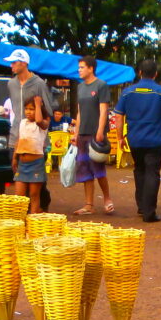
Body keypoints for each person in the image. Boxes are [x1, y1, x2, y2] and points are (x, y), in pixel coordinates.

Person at [112, 58, 161, 222]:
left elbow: (118, 116)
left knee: (139, 170)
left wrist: (120, 137)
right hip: (154, 140)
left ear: (140, 73)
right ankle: (149, 212)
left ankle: (142, 207)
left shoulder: (128, 92)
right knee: (152, 173)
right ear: (156, 74)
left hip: (134, 140)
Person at [5, 48, 54, 210]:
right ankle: (25, 216)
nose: (11, 65)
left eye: (14, 62)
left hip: (37, 140)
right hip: (17, 137)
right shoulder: (11, 84)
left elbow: (48, 111)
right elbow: (13, 109)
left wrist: (41, 128)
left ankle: (41, 210)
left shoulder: (39, 83)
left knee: (37, 186)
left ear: (24, 63)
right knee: (19, 184)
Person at [71, 55, 114, 215]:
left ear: (91, 68)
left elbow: (104, 110)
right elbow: (80, 111)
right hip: (82, 134)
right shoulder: (81, 87)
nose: (79, 70)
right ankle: (89, 204)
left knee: (98, 168)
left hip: (96, 135)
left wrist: (100, 131)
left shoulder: (101, 85)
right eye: (79, 67)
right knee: (84, 169)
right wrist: (76, 133)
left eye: (82, 67)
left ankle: (107, 198)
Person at [13, 98, 48, 213]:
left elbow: (39, 121)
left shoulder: (43, 122)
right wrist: (14, 158)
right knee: (19, 197)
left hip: (36, 164)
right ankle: (21, 221)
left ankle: (33, 218)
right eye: (26, 109)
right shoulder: (23, 122)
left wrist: (38, 104)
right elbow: (19, 140)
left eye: (32, 109)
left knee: (34, 194)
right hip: (22, 164)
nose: (28, 112)